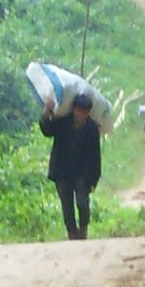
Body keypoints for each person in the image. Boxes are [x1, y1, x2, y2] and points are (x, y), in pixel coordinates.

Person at [41, 92, 103, 240]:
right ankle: (72, 235)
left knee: (82, 202)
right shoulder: (62, 122)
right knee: (67, 205)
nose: (81, 114)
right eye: (79, 110)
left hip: (83, 173)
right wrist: (46, 112)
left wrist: (94, 179)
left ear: (88, 112)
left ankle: (83, 231)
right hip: (62, 171)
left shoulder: (92, 129)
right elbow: (47, 130)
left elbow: (96, 156)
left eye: (85, 112)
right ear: (74, 109)